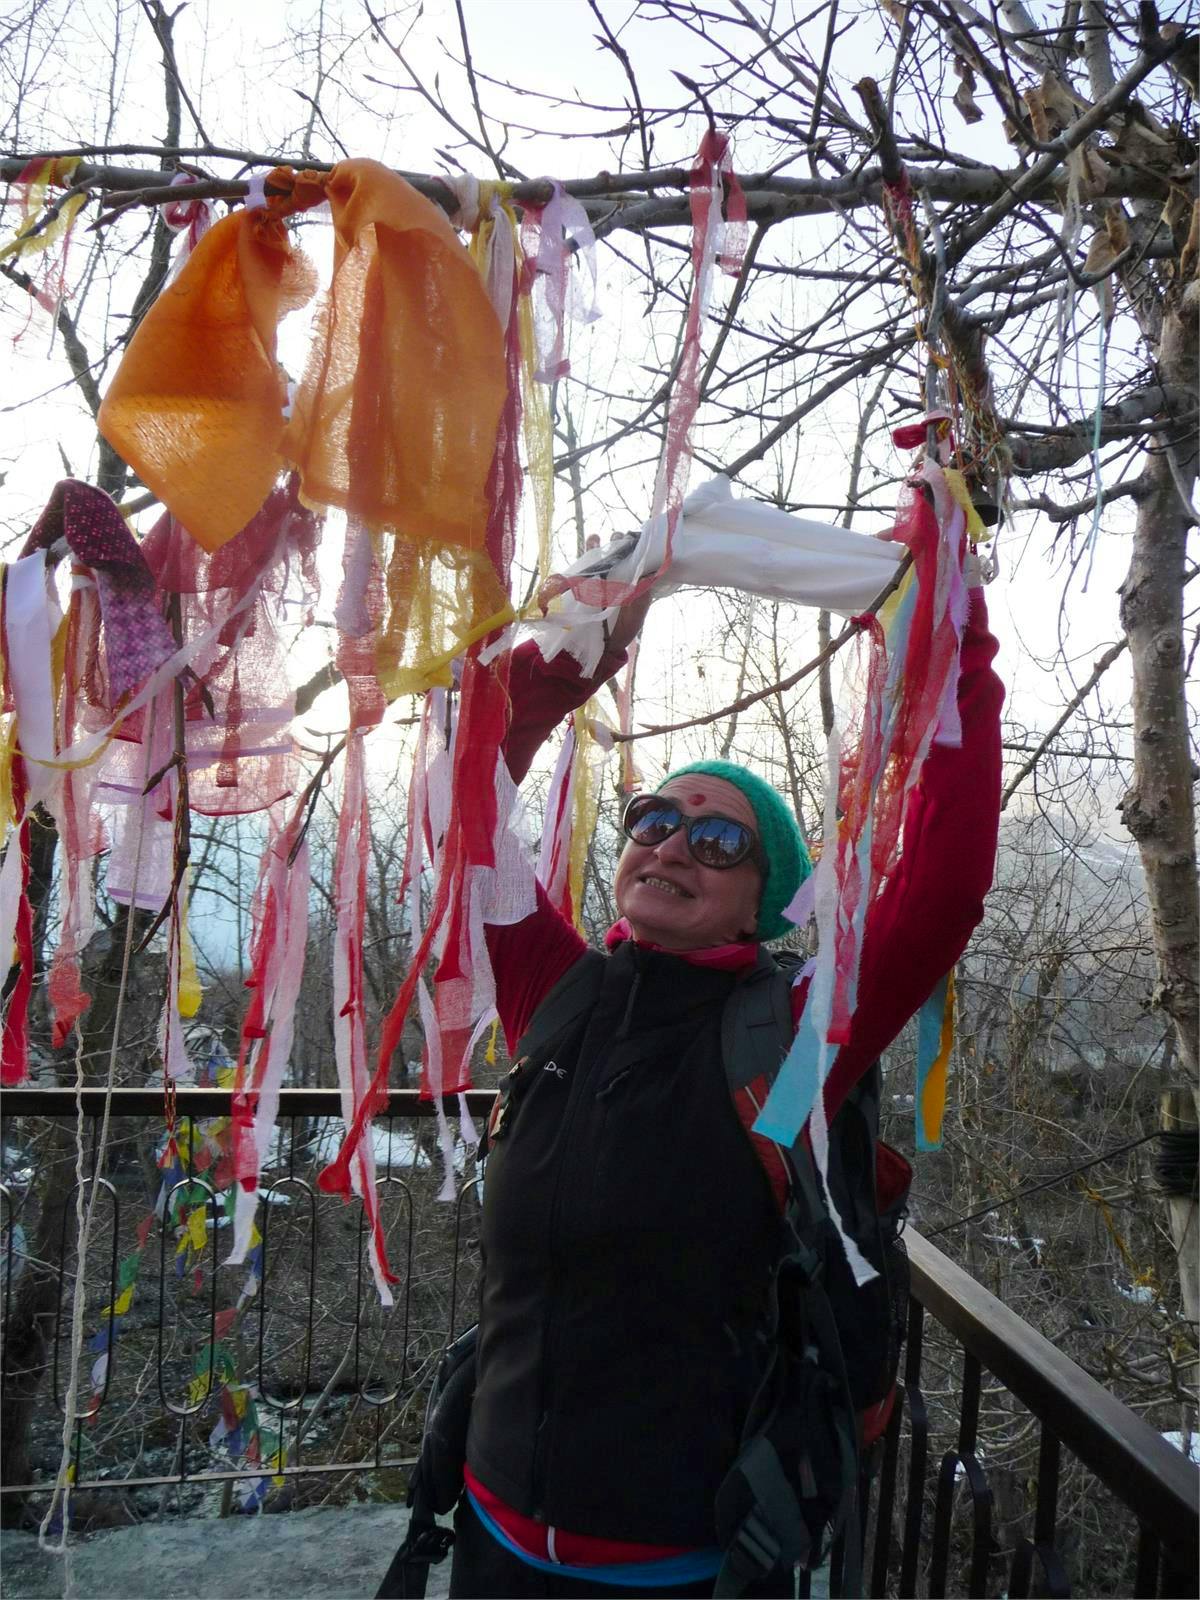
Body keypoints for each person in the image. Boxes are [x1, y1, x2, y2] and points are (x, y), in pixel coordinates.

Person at [444, 575, 1004, 1599]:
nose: (670, 843)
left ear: (762, 903)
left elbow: (945, 886)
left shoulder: (791, 1037)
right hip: (492, 1530)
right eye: (655, 818)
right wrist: (555, 672)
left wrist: (952, 643)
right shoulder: (555, 992)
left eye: (718, 839)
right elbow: (467, 812)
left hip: (684, 1564)